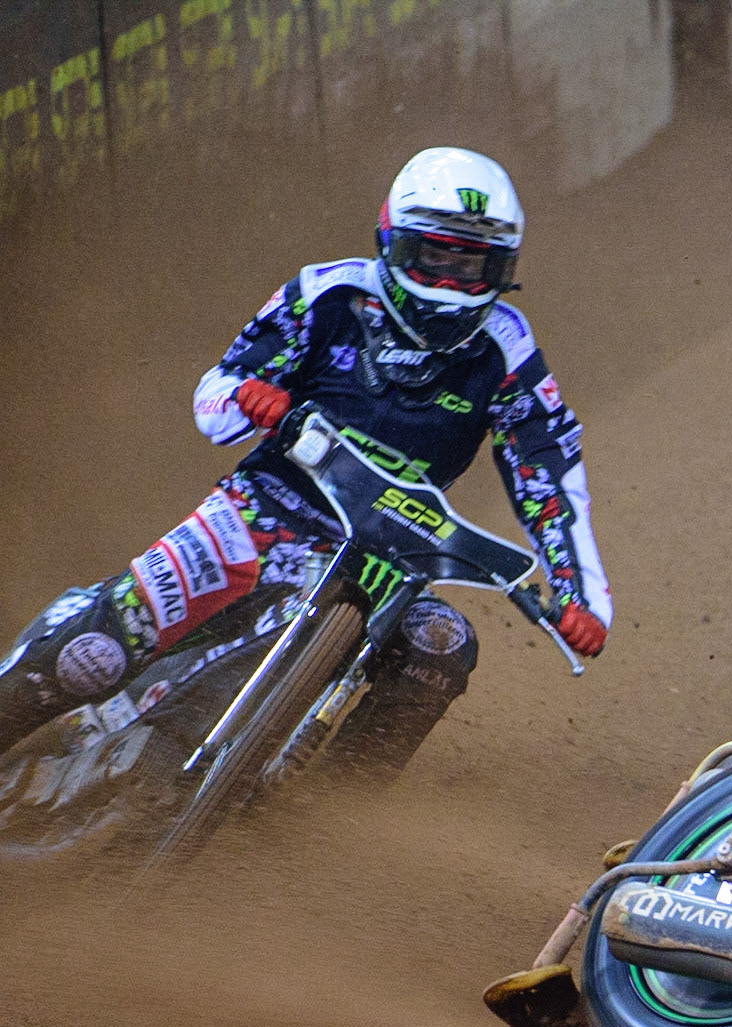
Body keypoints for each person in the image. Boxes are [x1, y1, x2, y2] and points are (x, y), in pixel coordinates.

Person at [0, 147, 612, 778]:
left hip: (386, 559)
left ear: (503, 268)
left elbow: (549, 470)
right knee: (93, 653)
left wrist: (578, 595)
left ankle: (323, 813)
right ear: (395, 242)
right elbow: (216, 392)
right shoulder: (326, 294)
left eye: (474, 264)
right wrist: (246, 396)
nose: (452, 280)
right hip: (260, 513)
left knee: (443, 644)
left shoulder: (508, 351)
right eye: (436, 256)